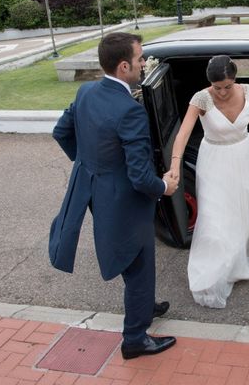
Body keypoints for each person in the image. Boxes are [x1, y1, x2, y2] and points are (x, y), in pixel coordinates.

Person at [49, 32, 178, 360]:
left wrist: (92, 168)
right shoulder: (129, 110)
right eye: (140, 59)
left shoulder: (86, 91)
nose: (144, 63)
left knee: (133, 257)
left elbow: (61, 132)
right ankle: (135, 338)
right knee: (138, 265)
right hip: (126, 202)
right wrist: (165, 187)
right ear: (124, 67)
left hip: (99, 195)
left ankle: (145, 305)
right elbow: (139, 176)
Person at [169, 55, 249, 309]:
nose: (221, 92)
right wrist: (175, 164)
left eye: (227, 86)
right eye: (217, 87)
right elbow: (183, 133)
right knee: (215, 215)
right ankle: (212, 273)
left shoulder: (248, 91)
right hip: (215, 161)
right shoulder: (201, 98)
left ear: (235, 79)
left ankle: (239, 256)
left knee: (244, 206)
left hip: (243, 155)